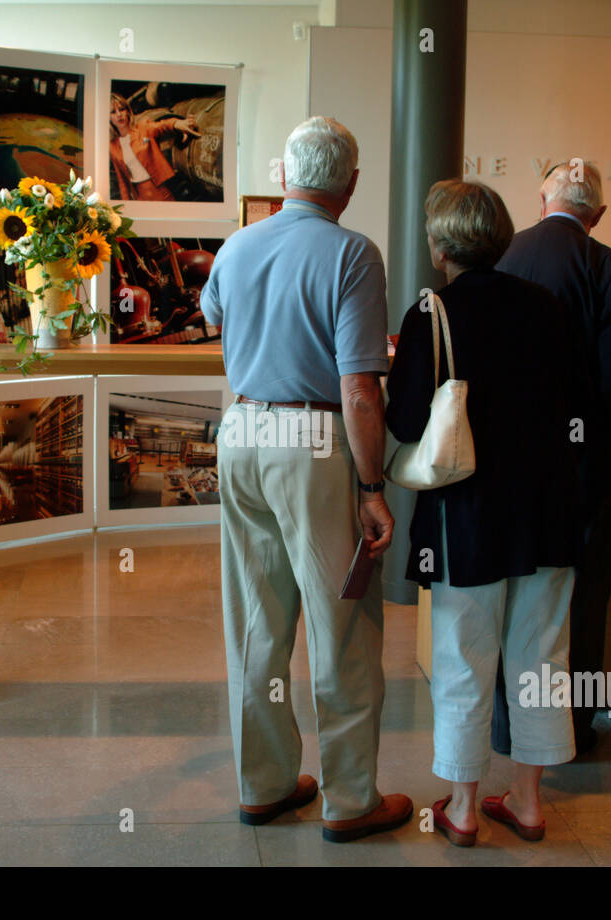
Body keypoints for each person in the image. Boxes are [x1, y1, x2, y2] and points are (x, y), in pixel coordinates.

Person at [200, 116, 412, 843]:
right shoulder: (354, 254)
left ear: (286, 176)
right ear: (350, 184)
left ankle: (263, 784)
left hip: (243, 433)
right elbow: (359, 390)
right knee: (342, 623)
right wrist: (373, 485)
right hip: (312, 442)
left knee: (257, 621)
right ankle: (350, 799)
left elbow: (216, 320)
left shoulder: (236, 246)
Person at [386, 180, 589, 845]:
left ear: (441, 241)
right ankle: (528, 801)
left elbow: (410, 417)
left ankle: (465, 806)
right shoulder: (549, 307)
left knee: (464, 655)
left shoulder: (431, 313)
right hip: (549, 506)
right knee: (542, 655)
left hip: (466, 511)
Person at [492, 160, 611, 755]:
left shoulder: (504, 256)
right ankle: (573, 729)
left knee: (513, 591)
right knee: (585, 598)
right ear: (598, 214)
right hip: (586, 468)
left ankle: (507, 726)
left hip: (510, 464)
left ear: (540, 200)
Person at [108, 92, 199, 202]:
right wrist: (126, 205)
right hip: (140, 196)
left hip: (161, 190)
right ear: (108, 118)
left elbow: (162, 125)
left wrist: (177, 123)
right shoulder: (112, 146)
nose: (118, 114)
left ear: (128, 111)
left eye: (122, 109)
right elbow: (122, 181)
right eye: (113, 112)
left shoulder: (143, 127)